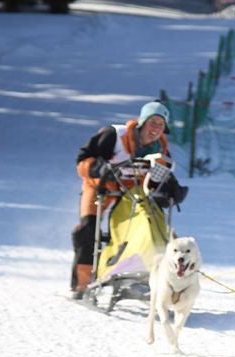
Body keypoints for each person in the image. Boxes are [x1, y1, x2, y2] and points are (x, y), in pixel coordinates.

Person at [70, 100, 187, 298]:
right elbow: (83, 160)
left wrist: (173, 190)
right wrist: (99, 168)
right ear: (142, 122)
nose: (156, 129)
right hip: (100, 187)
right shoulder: (114, 135)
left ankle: (140, 271)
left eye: (161, 125)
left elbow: (162, 174)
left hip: (130, 192)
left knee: (145, 223)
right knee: (88, 229)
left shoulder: (161, 149)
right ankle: (82, 285)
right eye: (153, 122)